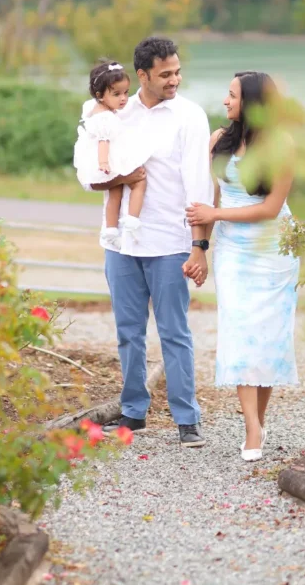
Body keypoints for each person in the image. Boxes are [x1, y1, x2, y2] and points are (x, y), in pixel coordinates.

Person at [85, 36, 213, 448]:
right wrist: (121, 179)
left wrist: (200, 246)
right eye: (166, 74)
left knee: (174, 332)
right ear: (143, 76)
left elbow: (199, 186)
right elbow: (89, 170)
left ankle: (186, 419)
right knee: (128, 332)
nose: (175, 79)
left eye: (177, 71)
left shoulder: (190, 116)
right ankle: (133, 412)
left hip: (170, 241)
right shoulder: (115, 109)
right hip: (122, 242)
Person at [186, 71, 299, 462]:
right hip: (233, 253)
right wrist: (198, 248)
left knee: (266, 338)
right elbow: (204, 199)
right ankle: (252, 427)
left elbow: (270, 209)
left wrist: (215, 212)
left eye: (232, 95)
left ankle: (258, 420)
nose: (225, 101)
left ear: (251, 102)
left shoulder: (281, 145)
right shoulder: (218, 141)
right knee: (239, 334)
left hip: (275, 251)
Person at [73, 61, 149, 251]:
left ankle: (111, 230)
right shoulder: (106, 117)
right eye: (117, 94)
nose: (124, 98)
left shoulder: (96, 108)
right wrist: (104, 162)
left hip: (100, 159)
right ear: (100, 95)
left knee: (114, 193)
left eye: (126, 92)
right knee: (139, 181)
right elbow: (104, 141)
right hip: (108, 159)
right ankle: (132, 219)